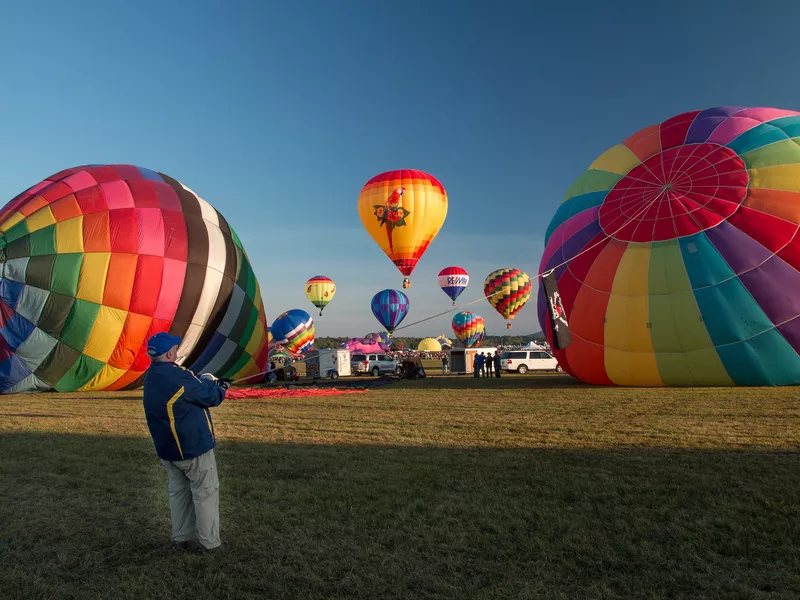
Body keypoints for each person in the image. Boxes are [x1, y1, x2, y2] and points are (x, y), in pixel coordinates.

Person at [142, 332, 231, 553]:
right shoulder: (179, 376)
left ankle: (180, 538)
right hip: (192, 448)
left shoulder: (150, 376)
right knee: (205, 493)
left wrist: (205, 382)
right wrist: (220, 387)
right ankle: (210, 543)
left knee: (179, 494)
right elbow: (211, 397)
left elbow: (190, 388)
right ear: (171, 353)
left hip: (168, 449)